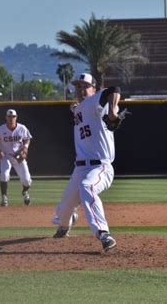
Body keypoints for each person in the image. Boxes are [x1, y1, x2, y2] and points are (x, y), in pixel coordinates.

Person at [52, 73, 123, 252]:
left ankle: (103, 234)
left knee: (87, 187)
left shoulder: (95, 102)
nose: (81, 89)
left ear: (94, 89)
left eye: (85, 86)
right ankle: (64, 226)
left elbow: (114, 90)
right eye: (78, 86)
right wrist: (75, 108)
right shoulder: (79, 108)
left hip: (100, 167)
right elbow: (79, 110)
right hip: (80, 168)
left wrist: (113, 111)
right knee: (63, 209)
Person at [0, 109, 33, 207]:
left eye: (13, 117)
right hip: (6, 156)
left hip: (18, 156)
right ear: (6, 118)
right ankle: (4, 198)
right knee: (4, 175)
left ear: (16, 117)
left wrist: (25, 148)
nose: (11, 118)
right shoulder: (0, 129)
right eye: (9, 117)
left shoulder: (22, 128)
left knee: (26, 180)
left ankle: (25, 192)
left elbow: (27, 139)